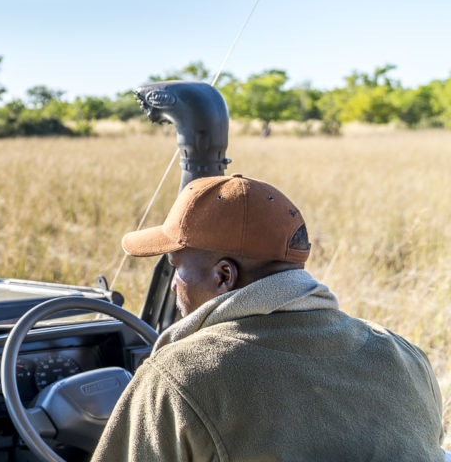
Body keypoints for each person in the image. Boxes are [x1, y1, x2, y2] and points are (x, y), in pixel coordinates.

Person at [91, 174, 446, 461]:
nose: (174, 288)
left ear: (224, 276)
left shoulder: (178, 377)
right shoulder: (404, 355)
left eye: (177, 270)